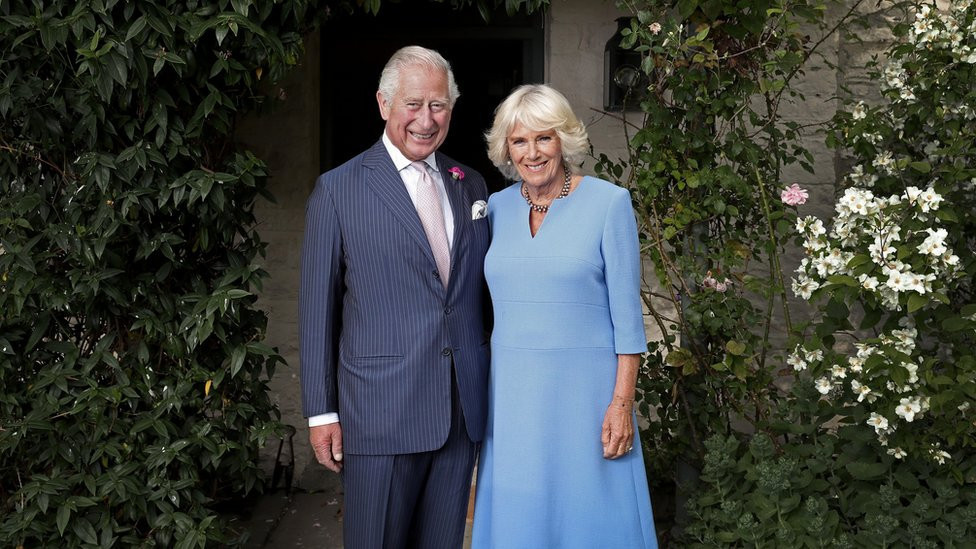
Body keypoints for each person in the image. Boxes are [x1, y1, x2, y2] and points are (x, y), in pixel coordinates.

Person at [299, 45, 491, 548]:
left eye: (439, 105)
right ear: (384, 104)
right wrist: (322, 412)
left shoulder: (470, 185)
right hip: (379, 414)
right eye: (414, 104)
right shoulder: (338, 190)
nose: (426, 119)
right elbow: (318, 311)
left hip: (459, 411)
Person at [471, 84, 658, 548]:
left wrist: (621, 404)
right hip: (511, 397)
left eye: (543, 138)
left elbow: (628, 321)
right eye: (519, 141)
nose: (531, 153)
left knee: (590, 517)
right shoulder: (494, 208)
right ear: (506, 148)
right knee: (521, 517)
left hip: (587, 396)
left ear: (564, 141)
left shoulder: (609, 203)